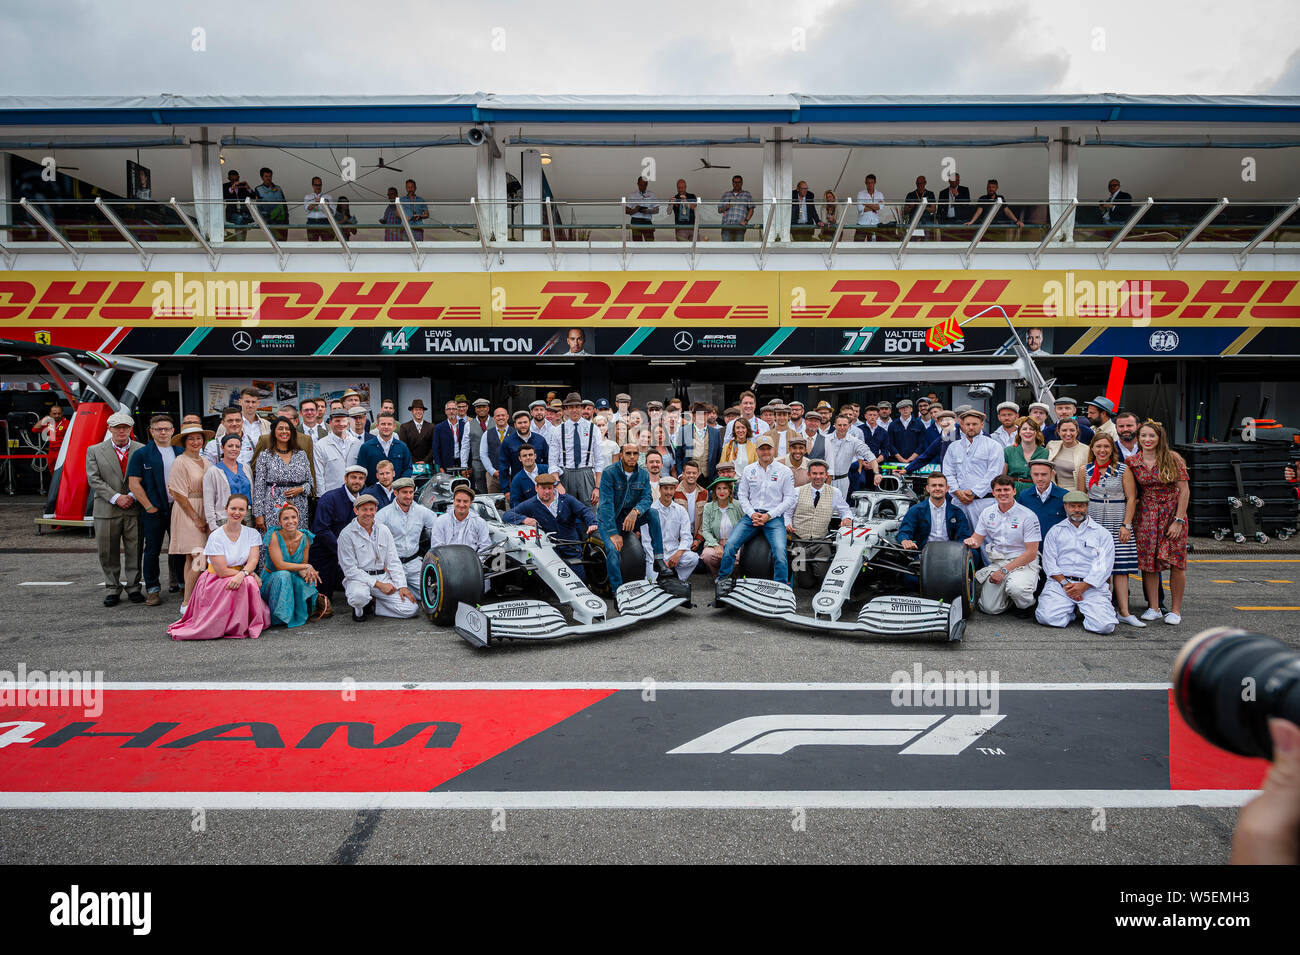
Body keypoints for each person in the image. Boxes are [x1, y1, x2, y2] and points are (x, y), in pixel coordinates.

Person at [167, 494, 271, 640]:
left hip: (240, 573)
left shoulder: (252, 533)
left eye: (241, 509)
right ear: (226, 509)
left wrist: (244, 573)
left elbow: (253, 561)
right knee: (248, 581)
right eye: (233, 508)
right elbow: (221, 571)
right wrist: (250, 574)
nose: (237, 512)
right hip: (215, 579)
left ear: (246, 511)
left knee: (247, 582)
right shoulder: (216, 536)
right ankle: (233, 626)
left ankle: (245, 624)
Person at [1076, 432, 1143, 628]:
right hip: (1095, 520)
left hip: (1117, 519)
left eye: (1106, 447)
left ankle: (1124, 611)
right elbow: (1081, 498)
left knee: (1120, 568)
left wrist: (1126, 525)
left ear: (1112, 450)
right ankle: (1102, 608)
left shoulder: (1123, 470)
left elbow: (1131, 498)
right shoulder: (1084, 470)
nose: (1102, 450)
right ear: (1093, 449)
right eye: (1098, 447)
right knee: (1098, 567)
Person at [714, 436, 798, 594]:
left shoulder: (784, 471)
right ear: (757, 450)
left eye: (768, 448)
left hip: (773, 518)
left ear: (773, 449)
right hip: (751, 516)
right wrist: (753, 514)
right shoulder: (748, 470)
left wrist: (769, 515)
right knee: (730, 545)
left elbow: (789, 498)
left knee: (780, 551)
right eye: (762, 449)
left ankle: (781, 587)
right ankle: (723, 581)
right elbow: (743, 496)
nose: (765, 452)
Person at [596, 443, 679, 596]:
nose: (632, 456)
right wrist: (614, 533)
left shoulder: (642, 473)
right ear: (621, 455)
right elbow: (606, 504)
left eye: (635, 453)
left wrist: (636, 511)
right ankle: (617, 591)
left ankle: (659, 560)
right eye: (628, 453)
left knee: (653, 513)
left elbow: (647, 497)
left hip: (629, 518)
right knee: (613, 551)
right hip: (608, 521)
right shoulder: (610, 472)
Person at [1131, 421, 1189, 625]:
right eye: (1143, 436)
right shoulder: (1133, 461)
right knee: (1149, 563)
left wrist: (1179, 520)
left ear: (1159, 438)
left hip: (1172, 513)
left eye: (1151, 436)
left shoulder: (1172, 459)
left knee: (1176, 562)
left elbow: (1184, 490)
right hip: (1146, 514)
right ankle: (1154, 607)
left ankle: (1175, 610)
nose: (1147, 440)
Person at [1036, 491, 1118, 635]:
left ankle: (1086, 609)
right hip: (1061, 585)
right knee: (1046, 618)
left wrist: (1083, 586)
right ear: (1065, 507)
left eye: (1081, 506)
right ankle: (1073, 609)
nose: (1077, 510)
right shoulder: (1055, 531)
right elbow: (1049, 562)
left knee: (1105, 626)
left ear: (1087, 507)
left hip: (1091, 586)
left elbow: (1103, 566)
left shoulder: (1101, 533)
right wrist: (1067, 585)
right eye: (1072, 506)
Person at [87, 411, 144, 607]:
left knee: (135, 549)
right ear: (109, 429)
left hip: (134, 506)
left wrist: (132, 495)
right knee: (107, 551)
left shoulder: (141, 449)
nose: (121, 431)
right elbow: (94, 478)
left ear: (131, 429)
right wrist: (116, 497)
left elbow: (146, 477)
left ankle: (134, 587)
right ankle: (112, 588)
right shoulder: (94, 450)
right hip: (106, 508)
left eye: (125, 427)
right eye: (117, 427)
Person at [127, 413, 185, 605]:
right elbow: (134, 483)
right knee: (152, 550)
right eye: (158, 429)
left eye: (166, 429)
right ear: (151, 431)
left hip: (177, 508)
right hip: (154, 510)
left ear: (173, 431)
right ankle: (152, 589)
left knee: (179, 549)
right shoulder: (142, 454)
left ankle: (184, 585)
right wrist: (148, 506)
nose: (163, 432)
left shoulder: (180, 451)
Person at [964, 475, 1042, 616]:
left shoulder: (1028, 516)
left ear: (1014, 491)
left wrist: (1004, 571)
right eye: (998, 490)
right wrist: (971, 541)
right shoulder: (987, 513)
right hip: (999, 562)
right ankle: (1011, 598)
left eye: (1006, 489)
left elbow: (1031, 553)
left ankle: (1027, 605)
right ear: (993, 493)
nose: (1002, 493)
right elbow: (977, 539)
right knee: (989, 608)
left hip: (1023, 562)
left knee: (1017, 588)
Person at [338, 494, 419, 622]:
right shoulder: (346, 534)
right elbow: (349, 569)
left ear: (376, 510)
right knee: (358, 597)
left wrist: (402, 586)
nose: (368, 513)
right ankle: (360, 609)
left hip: (382, 576)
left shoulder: (384, 530)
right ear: (356, 511)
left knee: (411, 608)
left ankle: (373, 603)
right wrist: (378, 585)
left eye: (371, 509)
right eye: (364, 509)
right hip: (359, 579)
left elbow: (393, 561)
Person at [504, 472, 598, 578]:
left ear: (554, 488)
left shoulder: (567, 500)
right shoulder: (530, 504)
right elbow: (507, 515)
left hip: (571, 548)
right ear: (536, 488)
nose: (547, 492)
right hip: (549, 551)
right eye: (543, 488)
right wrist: (524, 519)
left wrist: (592, 523)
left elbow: (585, 511)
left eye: (549, 488)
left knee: (580, 578)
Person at [167, 422, 213, 612]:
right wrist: (196, 518)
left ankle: (195, 598)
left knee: (193, 558)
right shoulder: (180, 461)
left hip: (205, 507)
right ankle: (186, 602)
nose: (196, 442)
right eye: (191, 439)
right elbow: (177, 493)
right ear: (185, 442)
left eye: (199, 438)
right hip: (188, 511)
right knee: (197, 555)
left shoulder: (206, 461)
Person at [260, 501, 326, 627]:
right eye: (285, 518)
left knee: (305, 581)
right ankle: (276, 618)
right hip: (271, 579)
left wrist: (309, 573)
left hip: (292, 576)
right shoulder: (274, 535)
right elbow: (279, 566)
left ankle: (312, 605)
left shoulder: (305, 537)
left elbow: (302, 566)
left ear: (298, 518)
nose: (290, 521)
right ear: (280, 522)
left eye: (293, 517)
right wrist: (306, 566)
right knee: (283, 575)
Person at [311, 465, 367, 598]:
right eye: (353, 477)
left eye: (361, 478)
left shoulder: (365, 500)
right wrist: (344, 550)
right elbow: (321, 529)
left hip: (354, 553)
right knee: (324, 597)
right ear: (345, 479)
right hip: (326, 554)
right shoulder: (329, 498)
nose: (357, 481)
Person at [375, 477, 438, 592]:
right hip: (392, 565)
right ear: (395, 493)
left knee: (431, 594)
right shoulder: (383, 514)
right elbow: (373, 541)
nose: (409, 496)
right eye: (404, 492)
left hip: (415, 563)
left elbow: (439, 527)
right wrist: (382, 565)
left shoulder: (421, 511)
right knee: (396, 598)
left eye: (411, 492)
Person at [252, 416, 313, 532]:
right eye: (280, 428)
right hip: (273, 506)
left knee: (297, 541)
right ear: (274, 431)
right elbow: (259, 487)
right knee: (275, 541)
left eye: (287, 428)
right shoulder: (265, 456)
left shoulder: (301, 455)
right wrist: (259, 515)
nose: (284, 432)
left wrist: (300, 489)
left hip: (298, 506)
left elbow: (310, 483)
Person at [642, 476, 698, 583]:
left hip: (674, 552)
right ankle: (661, 577)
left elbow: (686, 536)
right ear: (660, 489)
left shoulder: (681, 510)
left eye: (671, 489)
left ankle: (677, 579)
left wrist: (678, 554)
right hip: (655, 556)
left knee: (693, 558)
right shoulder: (650, 511)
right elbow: (646, 542)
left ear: (675, 489)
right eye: (665, 488)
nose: (669, 492)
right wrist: (659, 561)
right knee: (651, 583)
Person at [898, 473, 973, 552]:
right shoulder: (916, 510)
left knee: (973, 554)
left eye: (941, 485)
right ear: (927, 488)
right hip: (923, 553)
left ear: (947, 488)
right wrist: (905, 540)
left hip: (951, 554)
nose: (937, 488)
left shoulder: (957, 512)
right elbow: (904, 531)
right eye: (934, 485)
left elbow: (964, 536)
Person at [557, 392, 603, 506]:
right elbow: (552, 461)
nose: (574, 410)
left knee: (589, 510)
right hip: (565, 473)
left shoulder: (594, 429)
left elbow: (599, 460)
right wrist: (557, 484)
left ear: (582, 408)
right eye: (571, 407)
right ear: (566, 409)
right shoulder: (558, 430)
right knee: (566, 512)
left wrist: (597, 487)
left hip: (586, 472)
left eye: (577, 406)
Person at [429, 484, 495, 559]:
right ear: (453, 501)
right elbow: (437, 549)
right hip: (446, 564)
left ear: (470, 503)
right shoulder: (440, 521)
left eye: (465, 501)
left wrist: (475, 563)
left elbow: (486, 548)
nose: (461, 504)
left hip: (472, 564)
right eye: (458, 500)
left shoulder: (480, 522)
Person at [203, 433, 253, 529]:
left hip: (247, 517)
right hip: (224, 518)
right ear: (222, 447)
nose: (234, 449)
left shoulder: (246, 468)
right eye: (230, 446)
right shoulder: (213, 471)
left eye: (237, 446)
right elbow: (208, 501)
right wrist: (212, 524)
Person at [825, 414, 880, 497]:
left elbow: (870, 456)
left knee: (839, 507)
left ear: (849, 426)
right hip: (824, 480)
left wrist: (876, 473)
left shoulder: (855, 442)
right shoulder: (825, 439)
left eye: (845, 425)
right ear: (834, 425)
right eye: (839, 425)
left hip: (843, 481)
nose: (842, 427)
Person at [499, 409, 549, 499]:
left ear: (530, 423)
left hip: (541, 485)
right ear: (515, 425)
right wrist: (506, 490)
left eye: (525, 422)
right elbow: (503, 467)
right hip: (518, 485)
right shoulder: (508, 442)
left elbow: (548, 461)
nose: (523, 425)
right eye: (520, 423)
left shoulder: (540, 440)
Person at [357, 411, 413, 484]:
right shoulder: (366, 447)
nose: (386, 427)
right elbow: (361, 471)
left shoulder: (402, 447)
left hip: (396, 492)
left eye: (389, 424)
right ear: (377, 426)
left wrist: (400, 486)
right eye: (383, 424)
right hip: (372, 492)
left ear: (394, 427)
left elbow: (408, 468)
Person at [314, 408, 359, 495]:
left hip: (354, 494)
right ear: (330, 422)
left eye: (343, 421)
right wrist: (323, 497)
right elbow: (319, 475)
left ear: (348, 422)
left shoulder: (357, 443)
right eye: (337, 421)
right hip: (331, 495)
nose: (341, 424)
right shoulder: (321, 445)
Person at [1017, 460, 1068, 536]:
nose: (1039, 478)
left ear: (1052, 474)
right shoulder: (1024, 496)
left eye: (1044, 474)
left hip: (1057, 545)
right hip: (1032, 545)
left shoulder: (1065, 496)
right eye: (1036, 474)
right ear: (1031, 474)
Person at [905, 409, 959, 474]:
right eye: (941, 420)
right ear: (938, 423)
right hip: (947, 475)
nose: (944, 422)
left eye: (947, 420)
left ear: (954, 420)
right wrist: (906, 469)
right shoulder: (941, 439)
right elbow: (926, 456)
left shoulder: (963, 435)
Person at [1004, 417, 1049, 493]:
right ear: (1019, 432)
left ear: (1036, 432)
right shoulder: (1009, 451)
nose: (1028, 432)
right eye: (1024, 429)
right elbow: (1003, 476)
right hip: (1012, 491)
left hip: (1035, 491)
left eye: (1031, 429)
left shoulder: (1045, 452)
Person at [1046, 417, 1088, 488]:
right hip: (1054, 490)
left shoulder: (1086, 450)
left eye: (1072, 430)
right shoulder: (1051, 445)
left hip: (1076, 493)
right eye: (1064, 430)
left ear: (1077, 432)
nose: (1068, 434)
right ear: (1058, 432)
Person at [431, 399, 469, 474]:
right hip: (446, 465)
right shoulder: (439, 427)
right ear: (445, 411)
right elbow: (435, 449)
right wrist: (440, 467)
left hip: (461, 463)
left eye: (454, 409)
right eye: (449, 409)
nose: (451, 411)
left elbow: (468, 446)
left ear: (457, 411)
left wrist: (469, 466)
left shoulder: (465, 426)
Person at [480, 406, 513, 493]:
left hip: (511, 475)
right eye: (498, 416)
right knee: (494, 503)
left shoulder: (515, 433)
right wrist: (492, 471)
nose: (501, 417)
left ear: (507, 417)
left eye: (503, 415)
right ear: (494, 418)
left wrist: (508, 471)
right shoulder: (487, 434)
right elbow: (483, 454)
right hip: (493, 476)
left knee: (511, 502)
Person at [887, 398, 928, 464]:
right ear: (899, 410)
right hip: (897, 461)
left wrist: (911, 458)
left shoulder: (919, 424)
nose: (905, 409)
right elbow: (890, 444)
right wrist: (900, 458)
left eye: (907, 407)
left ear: (911, 409)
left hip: (915, 461)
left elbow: (922, 443)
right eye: (902, 408)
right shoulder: (892, 425)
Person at [254, 167, 289, 241]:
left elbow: (284, 204)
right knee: (274, 243)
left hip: (282, 221)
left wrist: (286, 218)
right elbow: (259, 207)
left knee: (283, 242)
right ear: (262, 177)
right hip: (269, 221)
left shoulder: (278, 188)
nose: (268, 178)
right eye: (266, 176)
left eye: (270, 176)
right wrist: (266, 220)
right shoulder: (258, 189)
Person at [465, 398, 493, 491]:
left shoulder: (496, 422)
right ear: (475, 409)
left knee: (493, 488)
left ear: (488, 408)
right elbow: (465, 446)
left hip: (493, 462)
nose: (481, 409)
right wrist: (464, 465)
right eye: (478, 407)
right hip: (477, 463)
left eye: (484, 407)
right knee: (480, 489)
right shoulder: (469, 424)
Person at [717, 175, 754, 242]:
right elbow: (719, 210)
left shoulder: (746, 194)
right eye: (735, 182)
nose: (736, 184)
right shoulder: (726, 194)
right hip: (727, 225)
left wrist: (746, 221)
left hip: (740, 226)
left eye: (738, 182)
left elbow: (751, 209)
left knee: (738, 248)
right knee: (726, 248)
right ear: (732, 183)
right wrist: (725, 208)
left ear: (742, 183)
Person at [399, 399, 435, 465]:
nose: (418, 412)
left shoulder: (431, 427)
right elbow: (404, 447)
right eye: (416, 410)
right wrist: (414, 462)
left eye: (420, 410)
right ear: (412, 411)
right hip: (411, 463)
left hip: (427, 464)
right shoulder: (404, 427)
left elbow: (434, 447)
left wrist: (425, 461)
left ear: (423, 411)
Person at [33, 402, 68, 470]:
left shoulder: (67, 423)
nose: (57, 415)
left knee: (63, 471)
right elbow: (34, 430)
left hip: (63, 451)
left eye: (59, 413)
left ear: (62, 413)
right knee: (52, 470)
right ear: (50, 414)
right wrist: (45, 419)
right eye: (54, 414)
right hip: (52, 452)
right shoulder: (49, 423)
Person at [222, 169, 254, 240]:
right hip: (231, 213)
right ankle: (239, 241)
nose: (235, 181)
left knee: (245, 218)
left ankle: (242, 241)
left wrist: (248, 188)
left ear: (239, 177)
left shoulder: (242, 186)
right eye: (233, 180)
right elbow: (223, 196)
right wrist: (231, 188)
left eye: (236, 179)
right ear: (229, 179)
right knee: (240, 218)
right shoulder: (225, 186)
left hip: (243, 211)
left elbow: (254, 196)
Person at [625, 176, 659, 241]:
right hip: (635, 221)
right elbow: (626, 210)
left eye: (644, 185)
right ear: (637, 184)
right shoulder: (632, 195)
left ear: (647, 184)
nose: (642, 187)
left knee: (650, 243)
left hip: (647, 221)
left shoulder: (652, 194)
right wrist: (635, 210)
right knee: (637, 244)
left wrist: (647, 211)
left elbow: (657, 210)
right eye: (641, 185)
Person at [854, 174, 885, 241]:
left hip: (875, 223)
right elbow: (860, 208)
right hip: (862, 224)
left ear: (875, 183)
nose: (870, 184)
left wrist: (866, 204)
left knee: (873, 247)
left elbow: (881, 207)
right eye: (868, 183)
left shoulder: (880, 194)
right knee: (857, 246)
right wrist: (874, 206)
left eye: (872, 182)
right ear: (865, 183)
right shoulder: (861, 194)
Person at [303, 176, 334, 241]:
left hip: (325, 222)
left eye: (320, 185)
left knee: (327, 244)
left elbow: (333, 212)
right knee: (312, 244)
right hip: (312, 222)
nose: (318, 187)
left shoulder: (328, 197)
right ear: (312, 186)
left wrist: (327, 205)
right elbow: (307, 208)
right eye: (316, 185)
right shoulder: (308, 197)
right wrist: (315, 203)